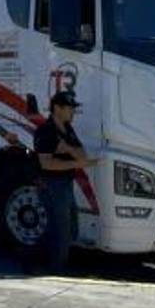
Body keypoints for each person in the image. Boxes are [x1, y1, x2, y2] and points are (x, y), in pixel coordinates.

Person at [33, 90, 97, 271]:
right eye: (70, 108)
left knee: (70, 228)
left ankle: (38, 260)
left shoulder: (68, 129)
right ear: (57, 108)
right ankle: (56, 269)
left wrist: (67, 149)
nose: (73, 112)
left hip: (65, 183)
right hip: (51, 184)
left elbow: (81, 154)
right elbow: (47, 164)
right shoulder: (45, 131)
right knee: (61, 229)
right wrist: (75, 162)